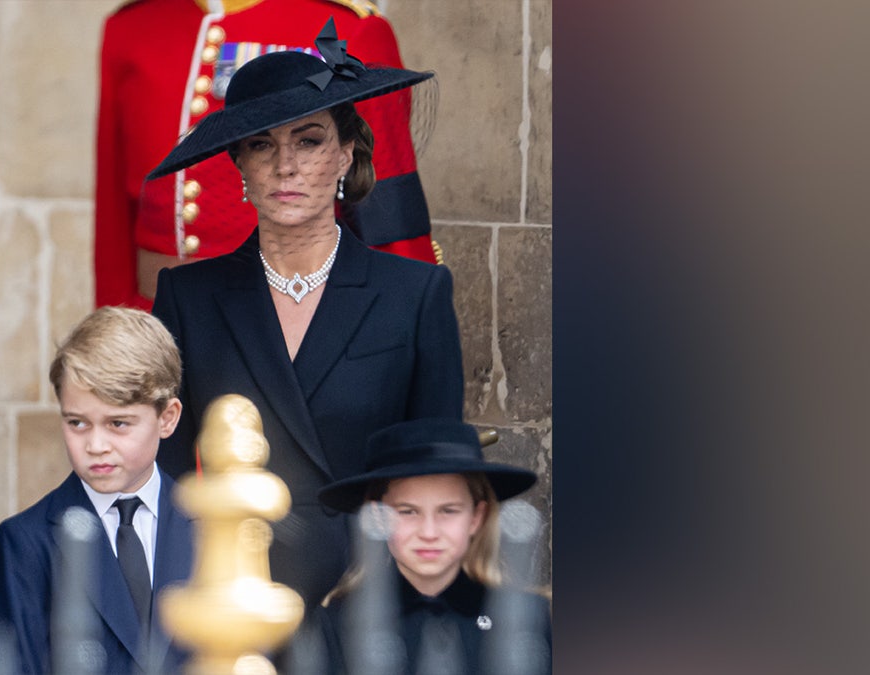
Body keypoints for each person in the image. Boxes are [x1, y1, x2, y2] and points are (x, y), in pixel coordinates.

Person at [147, 19, 464, 608]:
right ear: (239, 162)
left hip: (368, 602)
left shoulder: (415, 294)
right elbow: (166, 485)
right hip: (231, 601)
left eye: (310, 140)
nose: (286, 166)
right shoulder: (188, 298)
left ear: (346, 153)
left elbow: (434, 476)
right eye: (263, 143)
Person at [95, 0, 440, 310]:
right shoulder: (132, 29)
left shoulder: (348, 28)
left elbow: (389, 222)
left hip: (290, 328)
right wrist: (110, 340)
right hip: (153, 328)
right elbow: (114, 216)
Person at [0, 307, 195, 674]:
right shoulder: (24, 542)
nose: (96, 444)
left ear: (168, 417)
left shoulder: (213, 527)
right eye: (77, 423)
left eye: (118, 423)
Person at [315, 419, 552, 674]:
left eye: (448, 511)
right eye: (408, 512)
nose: (429, 532)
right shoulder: (336, 625)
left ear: (476, 517)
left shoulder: (528, 618)